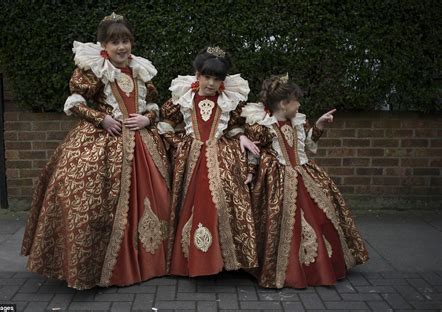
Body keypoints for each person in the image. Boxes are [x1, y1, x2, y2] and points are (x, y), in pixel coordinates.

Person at [21, 12, 171, 289]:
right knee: (90, 198)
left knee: (156, 199)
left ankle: (148, 263)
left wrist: (148, 118)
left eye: (126, 40)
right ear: (104, 45)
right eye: (115, 42)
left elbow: (152, 103)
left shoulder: (140, 69)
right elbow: (75, 103)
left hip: (142, 145)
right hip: (104, 141)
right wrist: (101, 118)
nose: (122, 47)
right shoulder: (91, 70)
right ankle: (104, 269)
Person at [242, 74, 369, 288]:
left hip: (304, 174)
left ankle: (321, 266)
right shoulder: (263, 126)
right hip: (278, 181)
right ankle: (285, 270)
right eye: (297, 101)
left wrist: (318, 126)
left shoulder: (298, 122)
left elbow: (307, 145)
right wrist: (250, 172)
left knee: (322, 214)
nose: (300, 105)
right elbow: (254, 151)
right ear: (284, 104)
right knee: (279, 223)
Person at [158, 46, 260, 277]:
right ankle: (188, 262)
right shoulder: (182, 99)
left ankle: (224, 260)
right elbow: (165, 124)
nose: (211, 83)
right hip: (191, 159)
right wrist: (179, 143)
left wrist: (241, 136)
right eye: (207, 77)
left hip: (221, 157)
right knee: (191, 203)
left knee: (222, 202)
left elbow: (233, 126)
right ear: (197, 74)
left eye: (217, 79)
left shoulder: (229, 101)